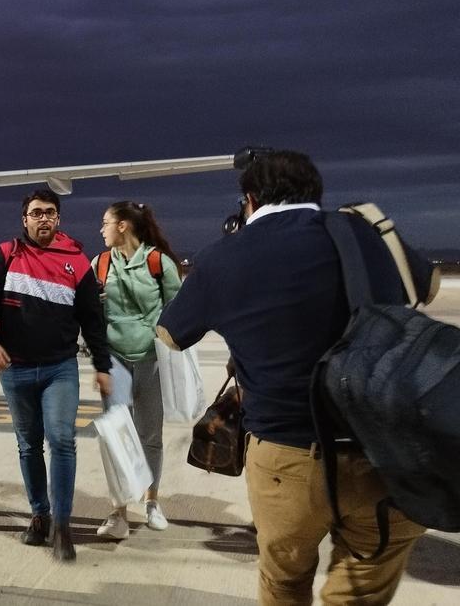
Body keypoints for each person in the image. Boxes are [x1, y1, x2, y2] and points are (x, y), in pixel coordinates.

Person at [157, 150, 438, 606]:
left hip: (286, 459)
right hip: (387, 453)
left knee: (284, 583)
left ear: (249, 198)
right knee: (362, 589)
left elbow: (170, 335)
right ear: (315, 191)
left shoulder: (223, 256)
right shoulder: (367, 234)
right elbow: (429, 288)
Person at [0, 189, 111, 561]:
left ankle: (62, 526)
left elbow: (93, 321)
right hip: (15, 370)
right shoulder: (5, 255)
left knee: (62, 440)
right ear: (24, 220)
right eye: (36, 213)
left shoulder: (77, 262)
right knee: (28, 445)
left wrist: (102, 366)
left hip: (59, 369)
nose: (43, 218)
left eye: (50, 213)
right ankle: (40, 516)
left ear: (58, 220)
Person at [93, 201, 183, 541]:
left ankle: (151, 502)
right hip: (114, 360)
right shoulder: (100, 264)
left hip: (151, 359)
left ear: (123, 226)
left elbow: (177, 312)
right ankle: (118, 512)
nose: (100, 229)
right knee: (116, 436)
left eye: (105, 223)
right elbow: (89, 312)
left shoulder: (159, 263)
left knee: (150, 435)